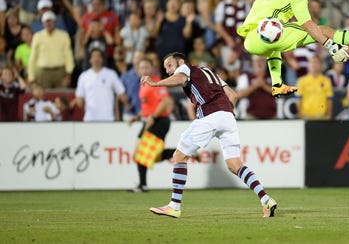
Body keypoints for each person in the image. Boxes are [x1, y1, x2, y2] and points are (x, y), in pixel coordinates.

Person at [142, 52, 277, 218]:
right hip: (228, 117)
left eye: (170, 65)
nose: (169, 71)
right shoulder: (209, 72)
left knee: (179, 156)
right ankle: (266, 200)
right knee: (235, 164)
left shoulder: (185, 69)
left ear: (181, 62)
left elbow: (181, 79)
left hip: (210, 115)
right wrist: (225, 114)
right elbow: (233, 96)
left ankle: (174, 206)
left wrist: (155, 84)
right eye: (166, 68)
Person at [128, 57, 175, 193]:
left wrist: (153, 116)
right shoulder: (143, 85)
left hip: (159, 121)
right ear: (137, 70)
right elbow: (149, 106)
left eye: (146, 67)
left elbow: (165, 101)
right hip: (150, 120)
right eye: (141, 68)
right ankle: (143, 185)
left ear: (152, 69)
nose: (144, 70)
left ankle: (143, 185)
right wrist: (137, 117)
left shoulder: (156, 82)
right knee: (143, 154)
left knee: (145, 154)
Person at [71, 48, 129, 121]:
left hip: (108, 118)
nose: (96, 59)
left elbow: (121, 93)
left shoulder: (111, 74)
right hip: (90, 118)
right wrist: (79, 101)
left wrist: (127, 105)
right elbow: (79, 98)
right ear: (90, 60)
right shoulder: (83, 76)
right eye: (93, 56)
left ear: (102, 59)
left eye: (98, 56)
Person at [27, 11, 74, 89]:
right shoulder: (37, 36)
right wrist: (31, 77)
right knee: (44, 98)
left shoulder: (64, 35)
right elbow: (33, 58)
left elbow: (68, 55)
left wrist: (69, 74)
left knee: (61, 97)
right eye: (46, 21)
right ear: (43, 23)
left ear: (55, 22)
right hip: (44, 73)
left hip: (60, 72)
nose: (48, 23)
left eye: (50, 21)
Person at [296, 55, 333, 120]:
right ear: (308, 65)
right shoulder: (301, 81)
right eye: (311, 62)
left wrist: (329, 115)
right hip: (306, 116)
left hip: (322, 116)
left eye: (316, 62)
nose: (313, 64)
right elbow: (299, 99)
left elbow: (329, 99)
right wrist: (300, 115)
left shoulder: (326, 81)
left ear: (321, 65)